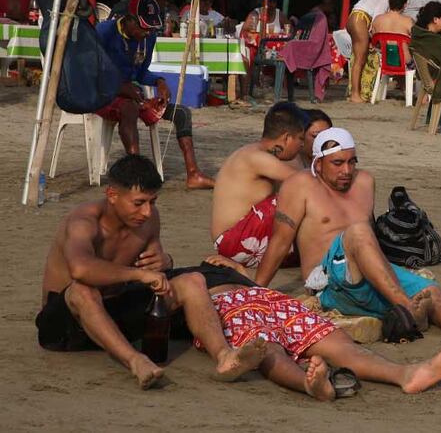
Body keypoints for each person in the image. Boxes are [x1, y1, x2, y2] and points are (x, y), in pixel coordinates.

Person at [254, 127, 441, 343]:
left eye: (352, 161)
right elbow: (279, 243)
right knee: (357, 232)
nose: (346, 170)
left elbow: (372, 240)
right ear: (318, 164)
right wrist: (253, 293)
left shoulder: (364, 182)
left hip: (366, 272)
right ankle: (408, 310)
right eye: (338, 163)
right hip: (330, 282)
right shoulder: (299, 186)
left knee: (431, 292)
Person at [36, 155, 268, 389]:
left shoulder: (148, 220)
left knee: (193, 280)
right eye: (139, 203)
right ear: (113, 195)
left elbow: (157, 264)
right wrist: (137, 274)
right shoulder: (84, 221)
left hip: (114, 312)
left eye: (152, 201)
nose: (147, 211)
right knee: (82, 289)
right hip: (64, 327)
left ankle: (224, 356)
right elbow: (80, 269)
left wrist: (164, 261)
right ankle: (136, 361)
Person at [200, 255, 441, 398]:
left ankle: (406, 374)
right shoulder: (186, 279)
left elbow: (257, 282)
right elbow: (190, 304)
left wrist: (238, 269)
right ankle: (308, 384)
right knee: (266, 348)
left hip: (269, 297)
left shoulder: (228, 271)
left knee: (340, 344)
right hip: (227, 305)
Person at [96, 0, 214, 190]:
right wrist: (120, 87)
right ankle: (135, 173)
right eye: (144, 27)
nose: (148, 31)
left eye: (151, 27)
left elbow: (142, 74)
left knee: (182, 114)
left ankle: (193, 174)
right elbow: (90, 72)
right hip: (103, 95)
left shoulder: (147, 38)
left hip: (134, 95)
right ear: (129, 20)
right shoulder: (104, 32)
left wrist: (159, 82)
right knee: (129, 108)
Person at [211, 103, 308, 268]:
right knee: (300, 196)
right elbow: (305, 182)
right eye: (300, 139)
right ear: (286, 138)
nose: (302, 145)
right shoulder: (257, 157)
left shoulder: (255, 152)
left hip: (238, 238)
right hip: (235, 242)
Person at [348, 0, 410, 103]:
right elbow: (377, 18)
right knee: (360, 59)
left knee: (358, 59)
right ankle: (355, 94)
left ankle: (355, 91)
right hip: (361, 19)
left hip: (355, 17)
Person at [363, 0, 415, 95]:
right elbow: (416, 42)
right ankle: (414, 93)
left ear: (389, 1)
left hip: (384, 61)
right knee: (411, 52)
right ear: (405, 4)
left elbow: (373, 39)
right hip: (405, 62)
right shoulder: (408, 22)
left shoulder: (377, 20)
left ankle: (400, 85)